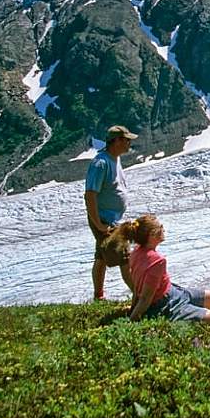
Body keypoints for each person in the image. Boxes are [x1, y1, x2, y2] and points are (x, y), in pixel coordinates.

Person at [105, 215, 210, 334]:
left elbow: (138, 288)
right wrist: (132, 321)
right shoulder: (157, 262)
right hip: (167, 308)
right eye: (160, 228)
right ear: (152, 235)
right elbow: (146, 298)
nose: (163, 229)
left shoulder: (136, 252)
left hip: (174, 293)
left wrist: (133, 308)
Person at [84, 124, 137, 300]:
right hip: (105, 220)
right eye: (126, 140)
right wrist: (98, 223)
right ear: (117, 141)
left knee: (101, 257)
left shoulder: (114, 159)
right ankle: (140, 294)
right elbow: (90, 194)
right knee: (124, 256)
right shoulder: (101, 163)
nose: (129, 143)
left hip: (112, 218)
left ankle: (98, 296)